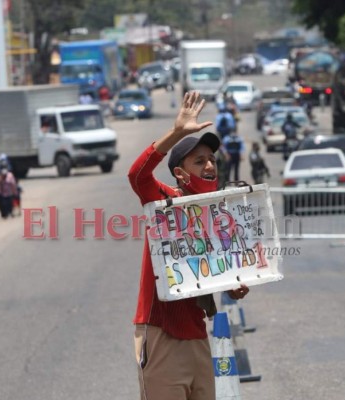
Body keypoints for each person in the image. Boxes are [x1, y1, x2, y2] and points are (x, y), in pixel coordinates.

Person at [128, 91, 249, 400]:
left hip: (197, 335)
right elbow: (137, 175)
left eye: (212, 159)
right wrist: (177, 133)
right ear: (180, 174)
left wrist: (229, 285)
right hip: (162, 334)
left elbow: (209, 270)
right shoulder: (166, 201)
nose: (210, 166)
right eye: (200, 161)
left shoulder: (218, 214)